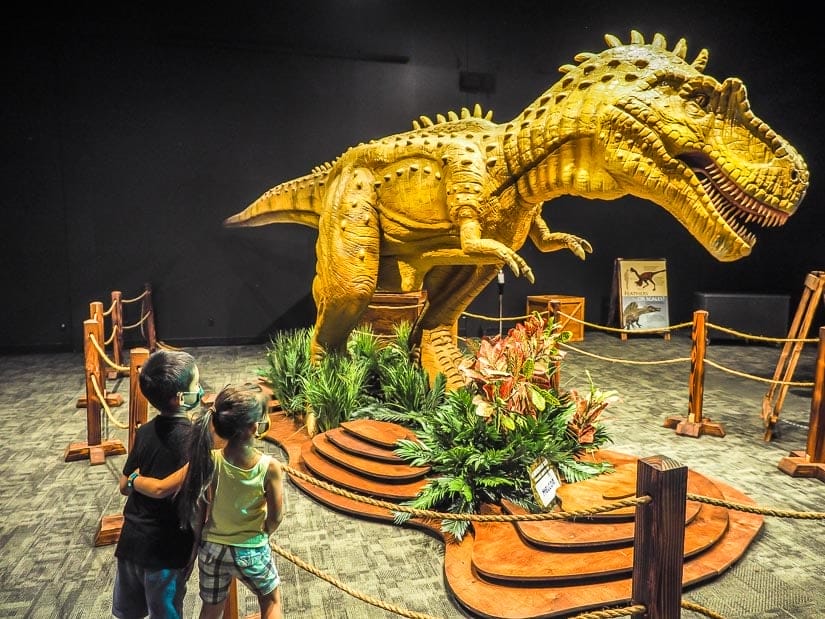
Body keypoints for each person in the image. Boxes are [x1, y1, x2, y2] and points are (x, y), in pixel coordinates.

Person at [179, 383, 285, 619]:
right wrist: (265, 530)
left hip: (213, 550)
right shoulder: (270, 466)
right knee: (271, 601)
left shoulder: (211, 459)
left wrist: (197, 545)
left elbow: (201, 509)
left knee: (211, 609)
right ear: (254, 427)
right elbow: (276, 515)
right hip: (251, 548)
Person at [112, 349, 202, 619]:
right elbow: (165, 489)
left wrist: (138, 481)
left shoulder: (144, 431)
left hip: (131, 541)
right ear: (180, 399)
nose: (200, 390)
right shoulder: (193, 441)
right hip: (166, 548)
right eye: (196, 385)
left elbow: (124, 484)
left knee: (129, 612)